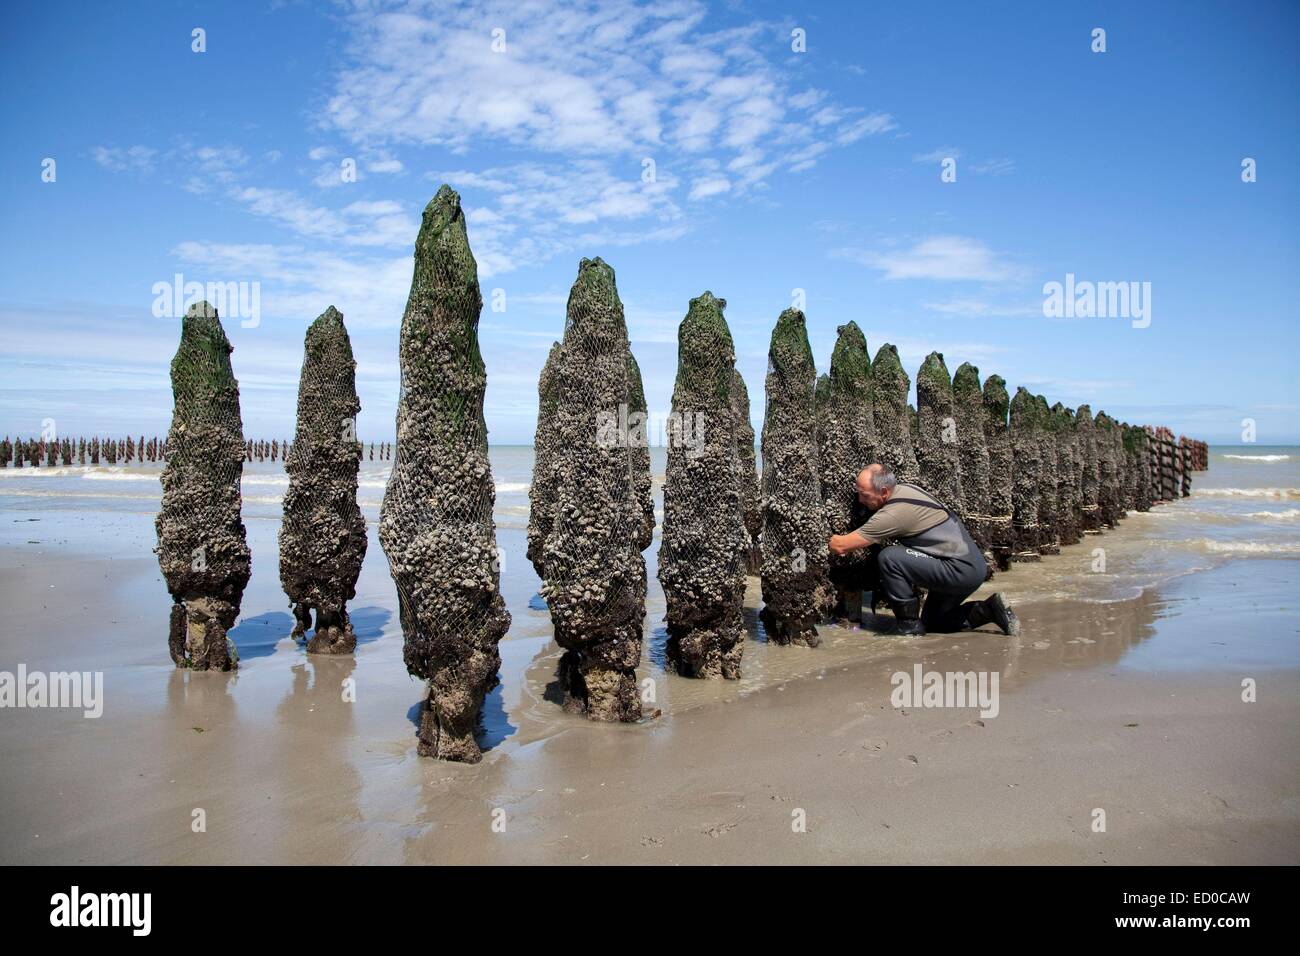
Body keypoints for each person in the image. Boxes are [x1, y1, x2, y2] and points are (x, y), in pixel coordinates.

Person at [828, 464, 1020, 637]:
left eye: (865, 495)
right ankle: (990, 609)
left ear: (884, 492)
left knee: (890, 557)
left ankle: (908, 625)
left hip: (958, 569)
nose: (860, 500)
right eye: (858, 493)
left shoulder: (893, 515)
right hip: (969, 565)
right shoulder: (905, 490)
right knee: (935, 622)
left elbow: (841, 545)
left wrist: (821, 540)